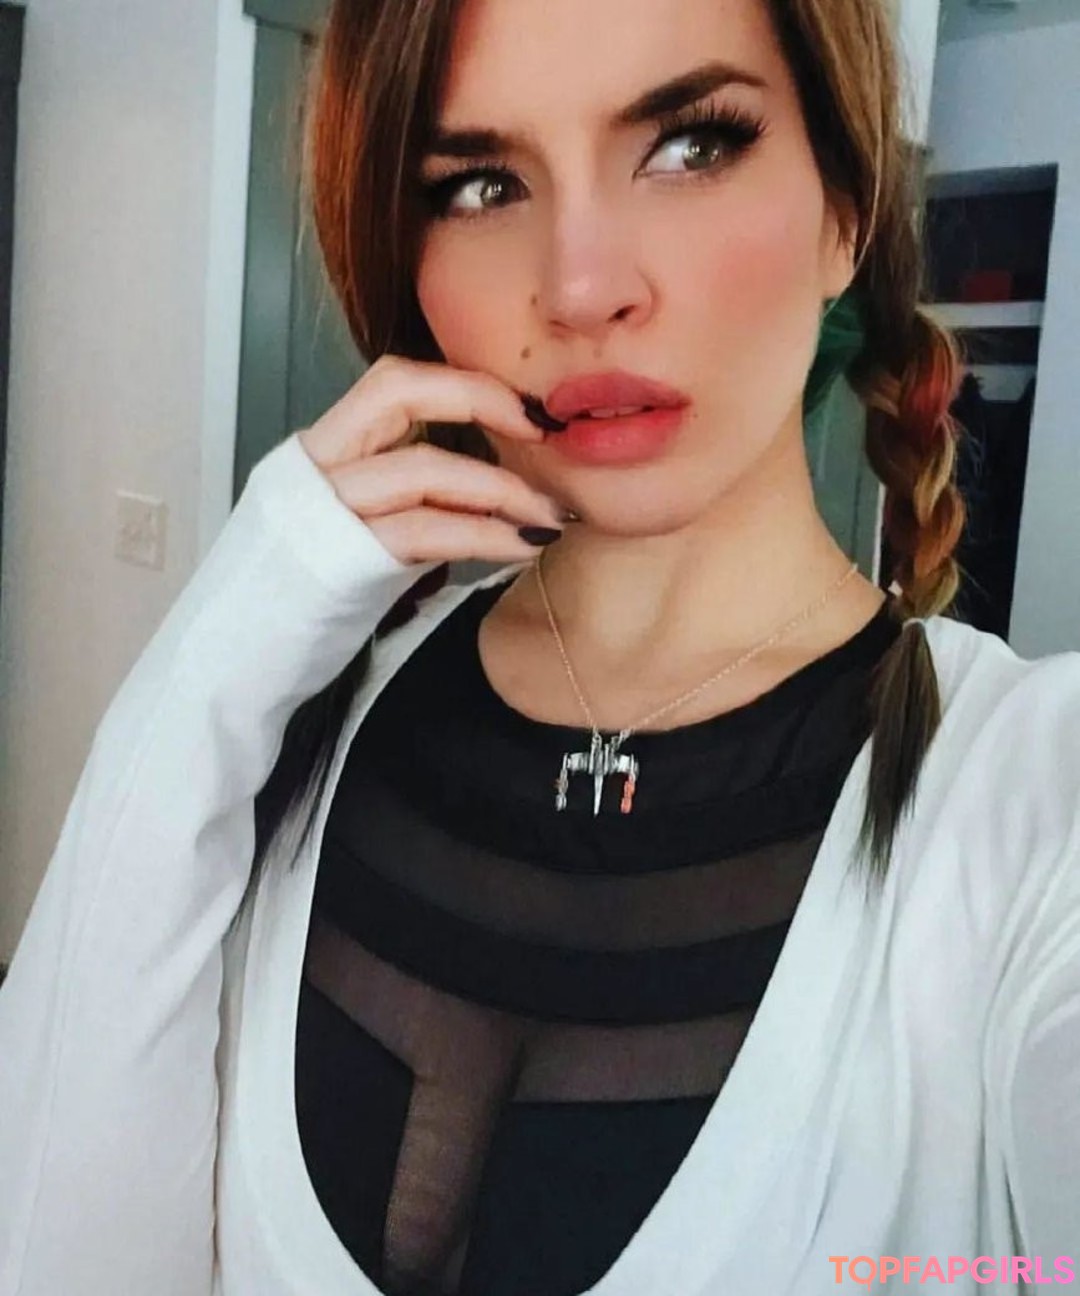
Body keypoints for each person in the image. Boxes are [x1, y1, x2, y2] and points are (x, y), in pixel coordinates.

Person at [1, 0, 1078, 1292]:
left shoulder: (1032, 807)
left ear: (843, 215)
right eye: (481, 184)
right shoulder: (296, 715)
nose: (580, 288)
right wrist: (208, 666)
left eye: (690, 145)